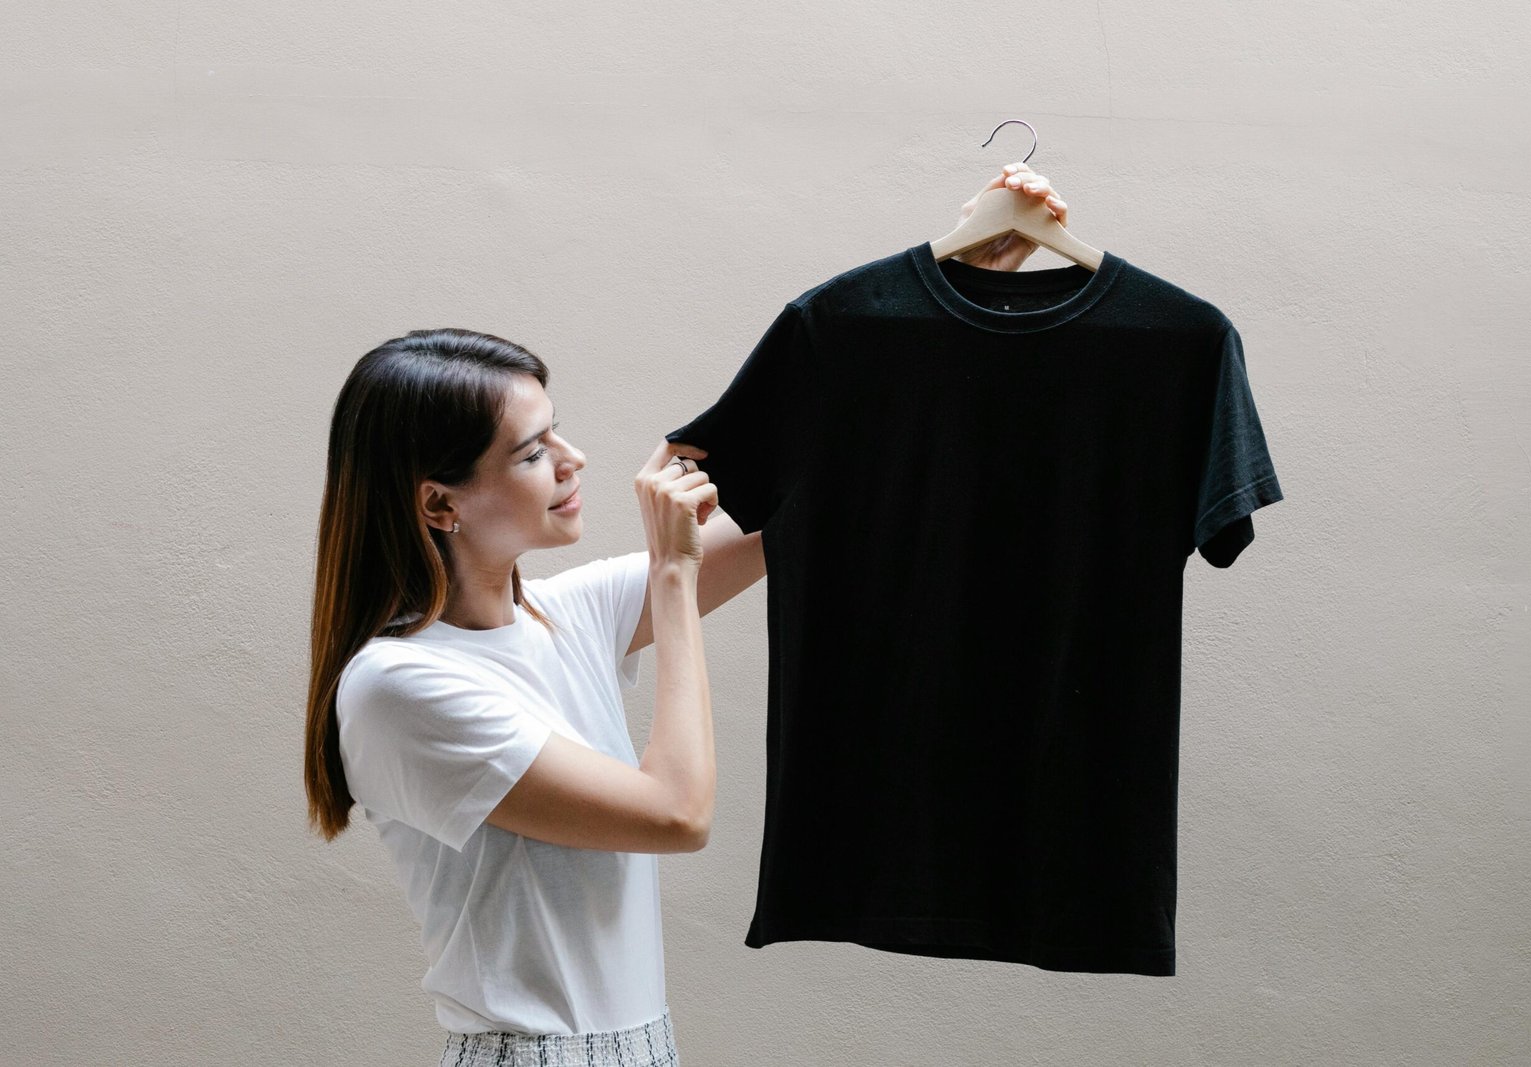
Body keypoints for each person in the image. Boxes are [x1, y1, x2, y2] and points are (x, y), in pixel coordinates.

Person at [301, 163, 1070, 1065]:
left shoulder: (557, 614)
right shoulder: (400, 687)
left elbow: (824, 519)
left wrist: (965, 285)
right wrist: (670, 574)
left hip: (639, 1046)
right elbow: (677, 812)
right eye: (534, 450)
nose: (574, 459)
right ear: (440, 504)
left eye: (561, 430)